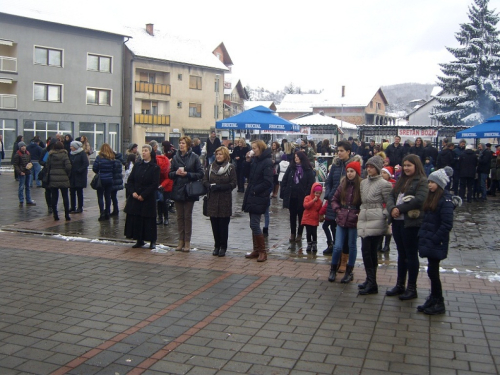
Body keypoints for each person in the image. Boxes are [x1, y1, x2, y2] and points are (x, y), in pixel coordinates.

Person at [386, 154, 428, 300]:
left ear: (416, 166)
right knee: (401, 254)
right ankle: (399, 285)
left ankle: (412, 288)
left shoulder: (422, 181)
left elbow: (420, 200)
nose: (406, 168)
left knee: (411, 255)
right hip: (397, 221)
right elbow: (391, 196)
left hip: (411, 223)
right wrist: (392, 209)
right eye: (404, 165)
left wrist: (400, 209)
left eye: (409, 165)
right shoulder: (401, 179)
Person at [418, 167, 459, 315]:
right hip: (429, 239)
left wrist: (435, 238)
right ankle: (433, 298)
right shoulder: (432, 197)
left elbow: (447, 224)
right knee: (431, 271)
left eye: (432, 182)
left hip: (436, 242)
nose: (429, 185)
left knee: (433, 272)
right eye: (429, 182)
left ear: (440, 184)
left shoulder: (445, 200)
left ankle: (439, 301)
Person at [323, 140, 361, 271]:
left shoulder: (353, 166)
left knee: (346, 237)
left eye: (341, 151)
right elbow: (328, 181)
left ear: (348, 152)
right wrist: (328, 193)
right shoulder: (335, 165)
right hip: (333, 202)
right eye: (338, 151)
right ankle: (337, 258)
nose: (338, 153)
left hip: (348, 205)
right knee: (335, 230)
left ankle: (344, 261)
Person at [357, 156, 392, 295]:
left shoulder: (384, 184)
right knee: (366, 251)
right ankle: (370, 279)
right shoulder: (363, 183)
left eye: (371, 166)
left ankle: (372, 282)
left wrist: (383, 214)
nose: (369, 168)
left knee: (370, 251)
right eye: (367, 166)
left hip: (376, 218)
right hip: (364, 216)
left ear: (377, 168)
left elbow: (389, 203)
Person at [327, 161, 362, 284]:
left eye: (352, 171)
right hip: (342, 218)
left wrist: (359, 212)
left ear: (357, 173)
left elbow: (364, 202)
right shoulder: (343, 184)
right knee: (337, 246)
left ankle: (349, 271)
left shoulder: (361, 186)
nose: (349, 174)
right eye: (348, 171)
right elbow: (334, 199)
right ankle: (333, 269)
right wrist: (337, 210)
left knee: (352, 246)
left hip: (354, 219)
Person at [169, 136, 204, 252]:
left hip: (189, 190)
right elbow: (170, 174)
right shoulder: (175, 157)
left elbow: (200, 173)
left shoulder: (194, 157)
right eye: (180, 143)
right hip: (178, 189)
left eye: (183, 143)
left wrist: (188, 174)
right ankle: (180, 240)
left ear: (188, 145)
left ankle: (187, 241)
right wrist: (176, 173)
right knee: (179, 217)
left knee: (187, 216)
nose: (181, 145)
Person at [124, 144, 160, 249]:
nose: (143, 153)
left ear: (150, 153)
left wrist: (144, 195)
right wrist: (133, 192)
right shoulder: (138, 165)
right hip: (135, 197)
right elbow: (130, 180)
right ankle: (139, 239)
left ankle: (152, 240)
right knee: (137, 218)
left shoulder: (155, 167)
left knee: (149, 220)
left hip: (147, 198)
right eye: (142, 150)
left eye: (146, 151)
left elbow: (154, 184)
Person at [243, 140, 273, 262]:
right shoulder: (255, 160)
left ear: (260, 148)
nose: (253, 150)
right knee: (252, 224)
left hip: (259, 196)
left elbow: (268, 181)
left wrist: (255, 190)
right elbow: (247, 175)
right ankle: (256, 249)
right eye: (252, 148)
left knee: (255, 224)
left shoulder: (267, 162)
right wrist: (247, 162)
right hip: (252, 195)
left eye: (255, 148)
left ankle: (262, 251)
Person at [203, 146, 237, 257]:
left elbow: (233, 183)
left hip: (224, 200)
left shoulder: (230, 168)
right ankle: (216, 245)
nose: (218, 156)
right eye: (217, 154)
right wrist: (209, 186)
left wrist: (222, 187)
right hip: (212, 199)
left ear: (225, 155)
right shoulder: (210, 167)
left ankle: (223, 246)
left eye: (221, 154)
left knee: (223, 225)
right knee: (214, 225)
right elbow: (205, 180)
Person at [280, 151, 315, 242]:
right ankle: (292, 233)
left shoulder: (307, 170)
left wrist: (306, 194)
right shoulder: (291, 168)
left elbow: (311, 183)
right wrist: (284, 191)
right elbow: (284, 180)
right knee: (292, 216)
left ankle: (299, 234)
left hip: (302, 197)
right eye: (295, 157)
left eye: (298, 157)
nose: (296, 158)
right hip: (292, 195)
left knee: (301, 216)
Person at [93, 143, 120, 221]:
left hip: (101, 179)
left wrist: (99, 172)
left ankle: (102, 213)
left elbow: (95, 168)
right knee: (108, 196)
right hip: (109, 179)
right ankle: (107, 212)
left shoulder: (99, 158)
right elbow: (115, 169)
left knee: (100, 196)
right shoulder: (112, 158)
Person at [46, 141, 72, 220]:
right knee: (65, 197)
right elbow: (68, 166)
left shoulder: (50, 155)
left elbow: (47, 166)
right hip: (63, 178)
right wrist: (67, 174)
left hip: (53, 178)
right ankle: (67, 215)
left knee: (54, 197)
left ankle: (55, 215)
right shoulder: (64, 155)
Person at [378, 166, 396, 253]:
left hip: (388, 207)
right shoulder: (379, 183)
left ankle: (386, 245)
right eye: (381, 173)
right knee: (380, 226)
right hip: (380, 206)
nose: (382, 174)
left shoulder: (393, 184)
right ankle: (379, 244)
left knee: (388, 227)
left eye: (384, 173)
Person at [301, 183, 324, 253]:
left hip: (314, 219)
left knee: (314, 232)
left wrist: (321, 216)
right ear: (313, 192)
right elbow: (306, 206)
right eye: (316, 193)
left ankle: (314, 244)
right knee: (308, 232)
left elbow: (320, 210)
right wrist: (313, 201)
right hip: (308, 218)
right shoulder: (307, 198)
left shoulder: (320, 201)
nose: (318, 195)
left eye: (319, 194)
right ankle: (309, 244)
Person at [13, 141, 36, 207]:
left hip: (28, 172)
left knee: (28, 187)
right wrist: (20, 172)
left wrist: (30, 165)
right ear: (20, 147)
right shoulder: (17, 155)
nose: (23, 147)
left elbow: (29, 161)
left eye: (24, 146)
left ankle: (28, 200)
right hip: (22, 173)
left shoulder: (28, 153)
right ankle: (21, 200)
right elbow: (16, 165)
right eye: (22, 146)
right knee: (21, 187)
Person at [69, 141, 89, 213]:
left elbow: (86, 163)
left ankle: (80, 207)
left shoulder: (82, 153)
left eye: (72, 146)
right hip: (72, 176)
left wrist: (80, 170)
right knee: (72, 192)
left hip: (80, 176)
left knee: (79, 192)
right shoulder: (71, 154)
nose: (71, 148)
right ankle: (72, 207)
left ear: (76, 147)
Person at [155, 153, 173, 225]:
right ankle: (160, 218)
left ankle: (166, 218)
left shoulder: (166, 167)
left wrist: (162, 185)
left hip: (166, 186)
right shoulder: (157, 165)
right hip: (159, 185)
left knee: (165, 203)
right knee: (159, 202)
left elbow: (168, 178)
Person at [110, 151, 124, 216]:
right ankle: (115, 209)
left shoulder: (115, 162)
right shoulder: (118, 162)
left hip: (114, 181)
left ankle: (115, 210)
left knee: (112, 196)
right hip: (116, 181)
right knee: (113, 196)